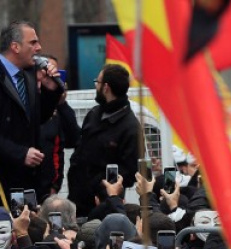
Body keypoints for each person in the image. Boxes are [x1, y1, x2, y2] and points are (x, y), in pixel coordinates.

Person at [68, 64, 144, 217]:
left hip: (106, 206)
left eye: (98, 82)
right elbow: (80, 150)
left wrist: (102, 189)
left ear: (106, 87)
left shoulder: (131, 128)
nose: (96, 86)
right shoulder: (94, 114)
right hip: (77, 200)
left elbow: (128, 173)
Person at [0, 20, 63, 203]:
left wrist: (51, 91)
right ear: (15, 47)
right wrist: (20, 153)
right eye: (33, 42)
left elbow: (37, 119)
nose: (39, 47)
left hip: (27, 181)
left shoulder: (27, 74)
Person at [38, 54, 80, 201]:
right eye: (49, 72)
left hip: (49, 187)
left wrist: (61, 103)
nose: (53, 76)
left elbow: (73, 139)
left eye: (56, 73)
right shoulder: (27, 101)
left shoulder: (58, 110)